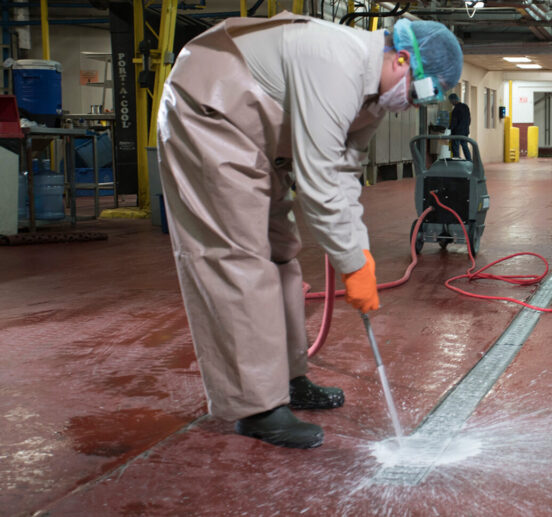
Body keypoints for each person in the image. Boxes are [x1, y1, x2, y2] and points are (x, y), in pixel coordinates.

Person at [156, 13, 462, 449]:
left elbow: (343, 172)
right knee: (238, 256)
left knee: (281, 250)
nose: (413, 103)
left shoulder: (373, 99)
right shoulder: (337, 61)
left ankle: (287, 378)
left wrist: (360, 253)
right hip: (211, 112)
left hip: (260, 138)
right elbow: (318, 181)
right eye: (420, 90)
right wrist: (353, 264)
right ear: (401, 59)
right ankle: (257, 407)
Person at [448, 93, 471, 159]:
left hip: (457, 132)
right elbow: (469, 120)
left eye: (451, 101)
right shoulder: (465, 107)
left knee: (455, 148)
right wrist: (466, 128)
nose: (451, 103)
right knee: (465, 146)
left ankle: (456, 161)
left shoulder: (455, 110)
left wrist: (450, 129)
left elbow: (454, 122)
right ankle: (469, 160)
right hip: (465, 131)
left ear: (453, 100)